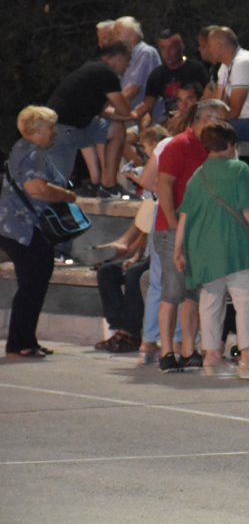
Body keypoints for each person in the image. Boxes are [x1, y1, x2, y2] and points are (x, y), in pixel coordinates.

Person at [173, 121, 249, 379]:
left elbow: (184, 215)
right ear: (231, 145)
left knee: (210, 303)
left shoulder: (199, 175)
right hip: (232, 246)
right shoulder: (239, 170)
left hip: (201, 248)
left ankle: (212, 358)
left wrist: (178, 250)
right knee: (246, 299)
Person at [154, 99, 230, 372]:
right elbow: (163, 185)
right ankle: (166, 352)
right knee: (172, 291)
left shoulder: (210, 148)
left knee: (192, 293)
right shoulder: (178, 145)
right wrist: (175, 227)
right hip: (173, 229)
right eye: (221, 120)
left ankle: (188, 349)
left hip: (200, 232)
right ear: (206, 118)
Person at [0, 106, 78, 358]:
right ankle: (20, 342)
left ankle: (25, 339)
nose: (53, 132)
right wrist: (67, 195)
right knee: (33, 282)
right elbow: (37, 189)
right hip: (23, 227)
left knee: (33, 281)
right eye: (51, 126)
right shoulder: (32, 153)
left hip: (14, 224)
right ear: (39, 128)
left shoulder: (20, 150)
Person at [46, 41, 133, 199]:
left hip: (73, 129)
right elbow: (125, 110)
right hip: (61, 132)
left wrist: (112, 115)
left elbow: (101, 112)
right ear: (119, 58)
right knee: (55, 187)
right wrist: (131, 114)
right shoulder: (106, 73)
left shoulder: (93, 68)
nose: (128, 65)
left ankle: (109, 187)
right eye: (127, 60)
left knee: (117, 128)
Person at [139, 29, 211, 125]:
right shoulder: (157, 74)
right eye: (163, 48)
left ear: (181, 47)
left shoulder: (197, 70)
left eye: (171, 47)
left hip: (192, 116)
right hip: (167, 118)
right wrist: (144, 129)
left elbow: (208, 99)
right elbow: (147, 107)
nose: (167, 52)